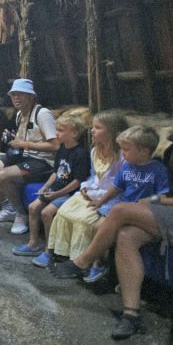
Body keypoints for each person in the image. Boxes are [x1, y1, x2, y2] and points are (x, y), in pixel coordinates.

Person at [59, 81, 173, 339]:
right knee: (126, 236)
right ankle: (131, 314)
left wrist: (159, 201)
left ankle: (83, 261)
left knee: (121, 210)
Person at [45, 111, 128, 279]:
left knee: (85, 220)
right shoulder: (94, 151)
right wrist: (85, 187)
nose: (92, 131)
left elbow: (120, 185)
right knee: (64, 212)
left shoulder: (122, 157)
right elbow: (92, 176)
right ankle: (66, 257)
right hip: (91, 192)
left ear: (111, 131)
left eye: (98, 128)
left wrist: (98, 195)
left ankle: (92, 263)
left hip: (110, 197)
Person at [0, 78, 59, 235]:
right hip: (24, 158)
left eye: (21, 94)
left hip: (43, 162)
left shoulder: (42, 114)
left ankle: (20, 214)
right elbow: (23, 140)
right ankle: (9, 207)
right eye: (13, 94)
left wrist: (25, 145)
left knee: (2, 175)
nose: (16, 98)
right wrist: (12, 138)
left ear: (31, 97)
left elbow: (55, 146)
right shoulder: (19, 115)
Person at [11, 114, 90, 266]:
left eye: (60, 130)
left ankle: (49, 251)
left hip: (69, 193)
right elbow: (56, 172)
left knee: (46, 212)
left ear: (73, 133)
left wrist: (57, 194)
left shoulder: (81, 154)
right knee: (33, 207)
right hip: (56, 189)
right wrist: (46, 186)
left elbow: (77, 181)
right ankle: (33, 243)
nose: (56, 134)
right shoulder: (61, 149)